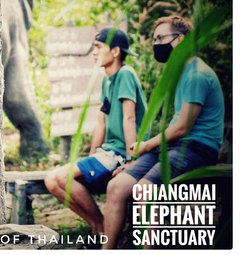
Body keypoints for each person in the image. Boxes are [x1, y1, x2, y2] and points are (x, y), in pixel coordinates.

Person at [102, 15, 224, 249]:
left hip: (198, 148)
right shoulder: (181, 72)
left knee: (144, 189)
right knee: (116, 186)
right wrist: (140, 155)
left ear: (181, 40)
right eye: (154, 39)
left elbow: (182, 127)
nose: (156, 44)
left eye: (161, 38)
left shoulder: (197, 74)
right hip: (175, 147)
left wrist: (146, 145)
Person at [44, 27, 147, 238]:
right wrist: (91, 157)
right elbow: (101, 121)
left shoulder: (126, 74)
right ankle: (99, 225)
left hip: (121, 153)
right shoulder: (108, 80)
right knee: (51, 180)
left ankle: (103, 230)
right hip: (107, 153)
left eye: (99, 47)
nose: (94, 52)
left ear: (116, 51)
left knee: (64, 176)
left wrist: (131, 159)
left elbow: (130, 118)